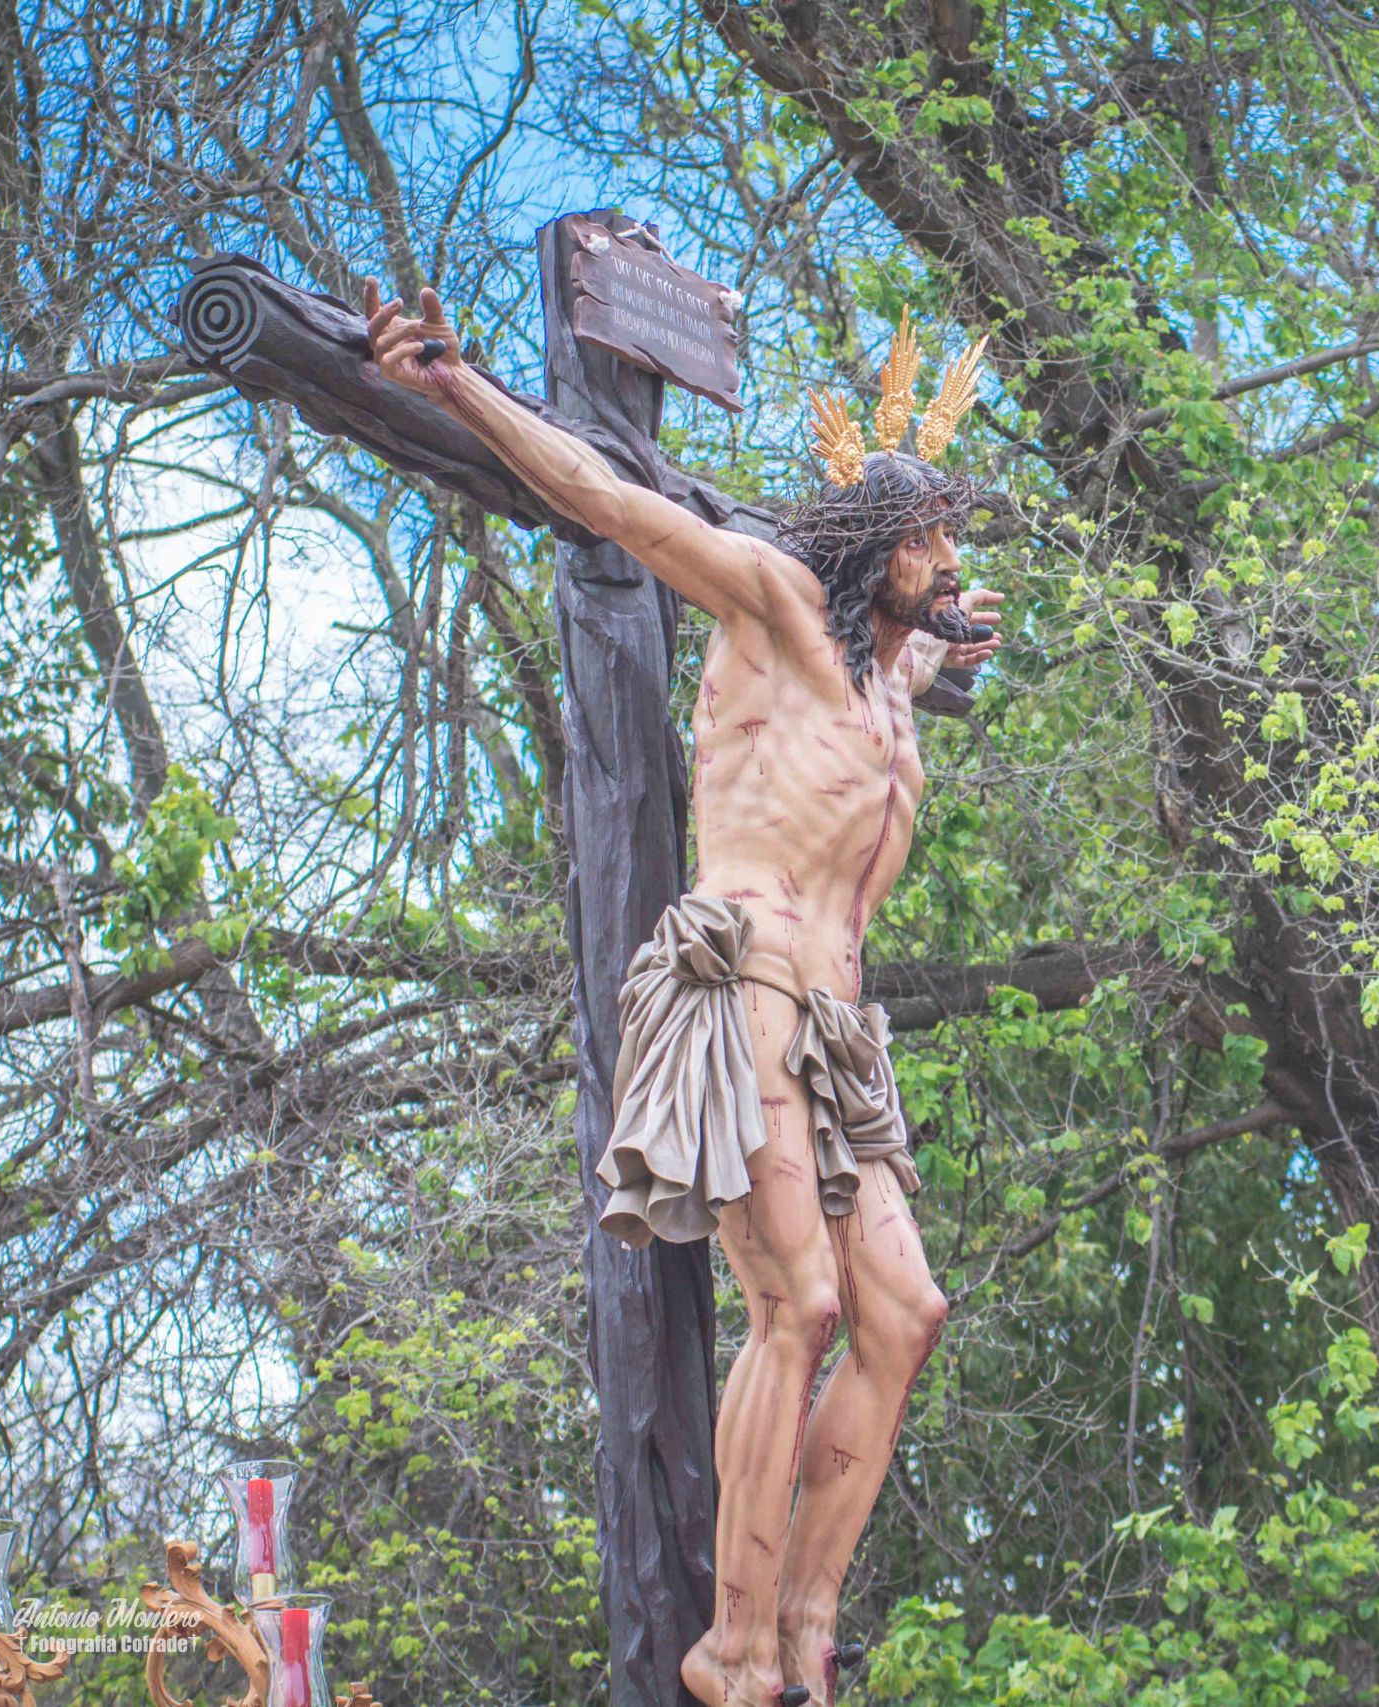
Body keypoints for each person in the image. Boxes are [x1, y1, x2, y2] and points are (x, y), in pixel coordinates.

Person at [363, 282, 1002, 1707]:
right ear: (870, 544)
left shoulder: (890, 684)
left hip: (840, 1031)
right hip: (743, 978)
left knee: (906, 1313)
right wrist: (458, 386)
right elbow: (611, 501)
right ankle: (732, 1643)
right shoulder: (769, 599)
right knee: (800, 1304)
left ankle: (805, 1627)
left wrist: (938, 643)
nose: (950, 561)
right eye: (927, 539)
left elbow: (915, 657)